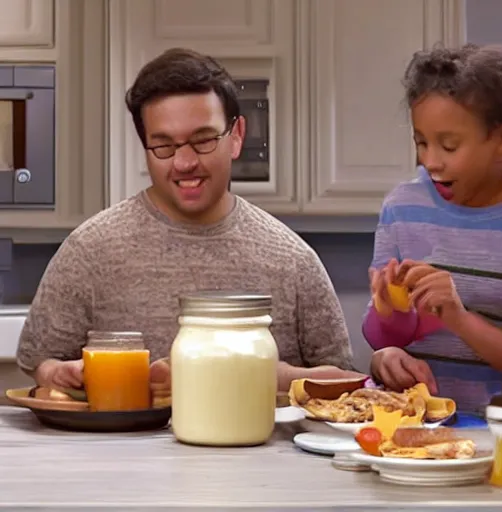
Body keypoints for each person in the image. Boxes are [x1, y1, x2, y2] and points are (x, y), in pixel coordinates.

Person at [17, 48, 365, 395]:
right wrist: (57, 373)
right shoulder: (90, 251)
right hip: (122, 449)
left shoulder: (293, 260)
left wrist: (258, 373)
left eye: (202, 141)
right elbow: (40, 360)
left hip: (254, 448)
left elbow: (346, 383)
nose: (184, 163)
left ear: (237, 135)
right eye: (164, 146)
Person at [365, 44, 502, 413]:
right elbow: (381, 337)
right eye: (422, 143)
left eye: (449, 145)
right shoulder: (402, 207)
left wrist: (458, 318)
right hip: (410, 427)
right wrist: (387, 339)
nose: (431, 161)